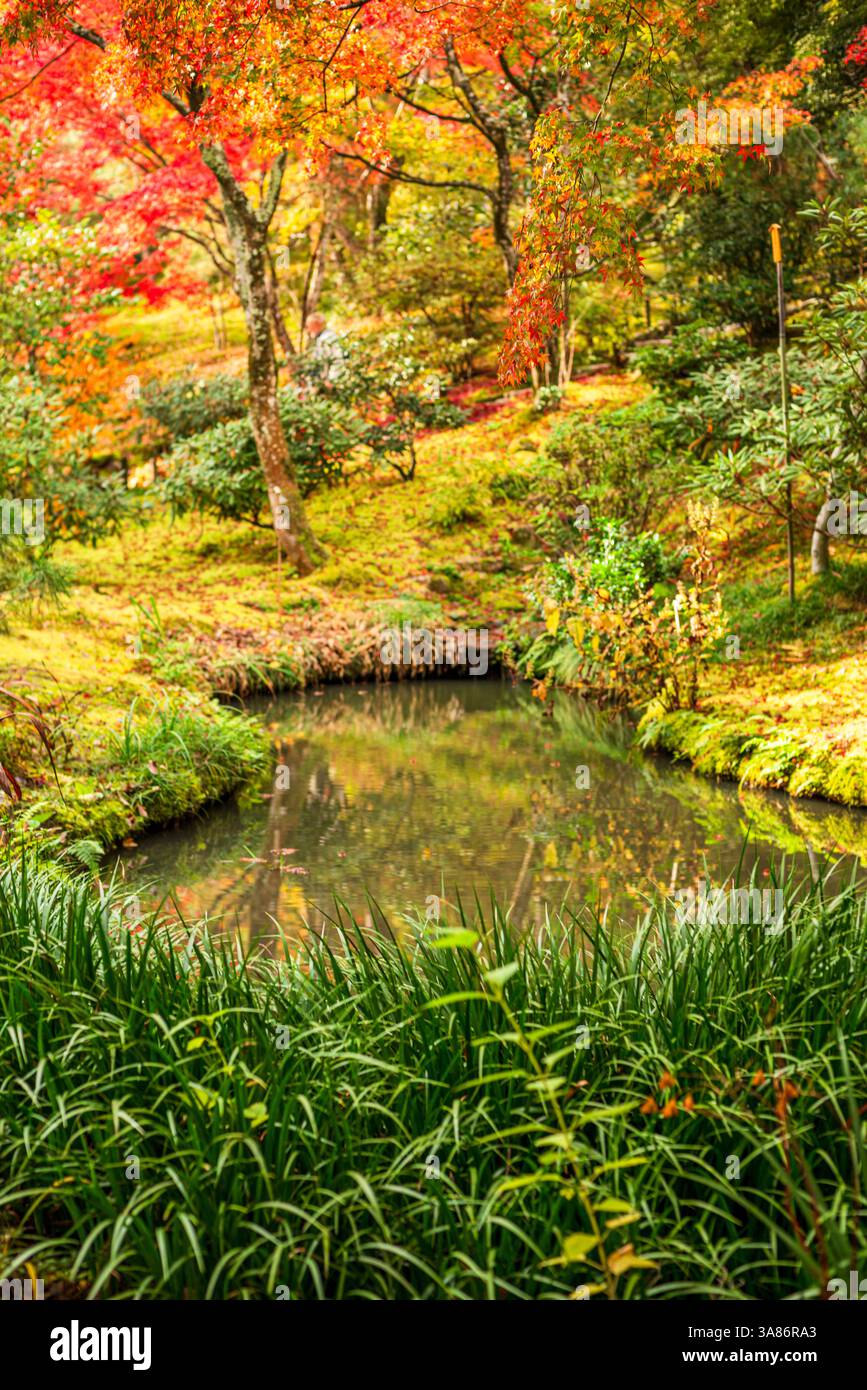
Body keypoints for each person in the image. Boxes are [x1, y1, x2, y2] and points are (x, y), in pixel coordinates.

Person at [305, 313, 346, 383]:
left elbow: (337, 359)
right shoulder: (320, 338)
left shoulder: (327, 339)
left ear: (317, 325)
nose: (308, 330)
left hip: (332, 380)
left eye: (309, 326)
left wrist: (331, 380)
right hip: (324, 379)